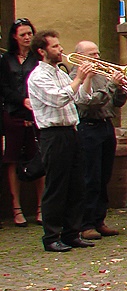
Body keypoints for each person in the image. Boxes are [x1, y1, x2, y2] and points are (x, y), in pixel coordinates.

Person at [26, 30, 96, 252]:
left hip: (71, 131)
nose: (61, 49)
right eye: (55, 46)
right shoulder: (38, 76)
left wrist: (88, 78)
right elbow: (58, 98)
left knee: (76, 185)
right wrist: (78, 78)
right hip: (53, 135)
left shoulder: (61, 73)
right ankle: (51, 236)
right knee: (57, 186)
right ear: (42, 51)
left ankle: (72, 232)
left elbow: (82, 98)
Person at [71, 41, 127, 240]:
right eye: (92, 55)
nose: (97, 58)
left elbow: (115, 103)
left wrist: (120, 89)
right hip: (88, 127)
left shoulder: (103, 75)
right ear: (80, 57)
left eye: (97, 54)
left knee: (104, 176)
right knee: (91, 177)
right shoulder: (75, 77)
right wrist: (111, 85)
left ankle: (99, 220)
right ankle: (85, 223)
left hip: (106, 126)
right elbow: (89, 104)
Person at [1, 18, 43, 226]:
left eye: (30, 34)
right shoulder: (6, 60)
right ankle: (16, 207)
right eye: (23, 34)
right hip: (14, 113)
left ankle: (41, 207)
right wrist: (21, 100)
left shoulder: (37, 59)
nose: (27, 38)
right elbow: (4, 88)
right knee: (13, 159)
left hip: (36, 115)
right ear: (14, 37)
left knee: (38, 158)